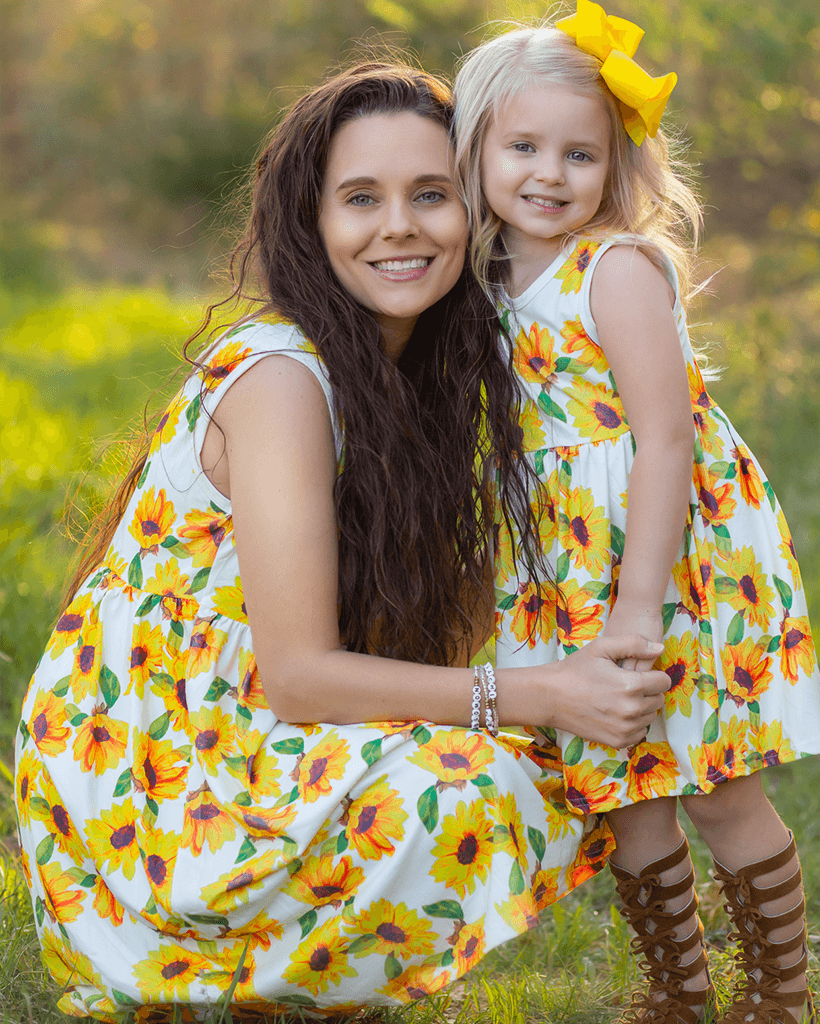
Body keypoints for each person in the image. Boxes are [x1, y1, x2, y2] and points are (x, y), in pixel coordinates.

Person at [14, 60, 674, 1021]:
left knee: (515, 754)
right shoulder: (282, 378)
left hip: (247, 746)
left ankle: (304, 975)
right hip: (152, 793)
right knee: (481, 778)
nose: (399, 225)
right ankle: (235, 976)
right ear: (311, 224)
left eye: (430, 196)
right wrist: (545, 694)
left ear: (477, 211)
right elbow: (301, 677)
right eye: (360, 198)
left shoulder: (428, 383)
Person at [452, 4, 820, 1023]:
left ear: (616, 166)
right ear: (478, 145)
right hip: (561, 565)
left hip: (670, 559)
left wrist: (637, 605)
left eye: (580, 154)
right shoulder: (483, 277)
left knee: (715, 784)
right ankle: (678, 991)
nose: (549, 173)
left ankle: (782, 997)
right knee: (623, 791)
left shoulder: (612, 268)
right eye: (523, 146)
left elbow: (665, 439)